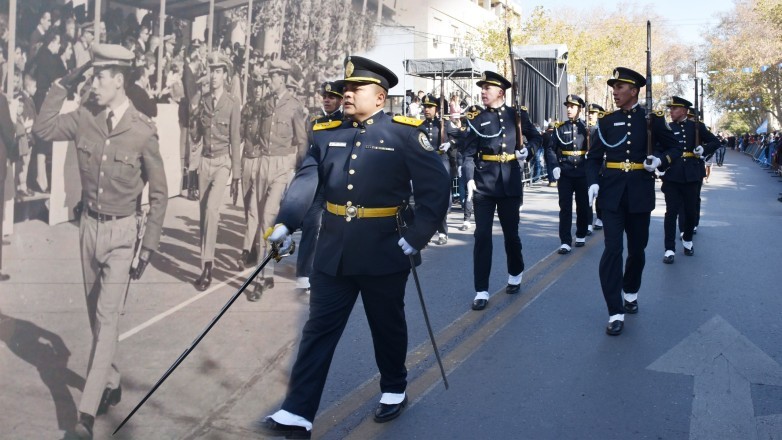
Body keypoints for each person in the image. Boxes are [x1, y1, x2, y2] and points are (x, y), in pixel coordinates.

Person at [256, 55, 450, 438]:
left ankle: (394, 388)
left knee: (386, 325)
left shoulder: (405, 133)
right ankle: (297, 412)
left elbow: (436, 189)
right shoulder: (326, 132)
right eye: (344, 88)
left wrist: (415, 238)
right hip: (333, 249)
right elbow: (305, 181)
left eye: (353, 89)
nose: (345, 94)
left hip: (385, 248)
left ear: (379, 97)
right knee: (318, 329)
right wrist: (285, 223)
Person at [32, 44, 168, 439]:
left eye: (99, 77)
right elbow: (42, 129)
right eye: (91, 77)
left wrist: (149, 245)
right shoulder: (85, 118)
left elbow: (159, 193)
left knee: (107, 321)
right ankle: (110, 380)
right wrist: (64, 82)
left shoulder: (142, 131)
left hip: (124, 234)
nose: (94, 84)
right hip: (88, 229)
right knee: (96, 317)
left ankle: (85, 417)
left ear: (119, 81)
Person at [585, 67, 681, 336]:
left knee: (637, 251)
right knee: (612, 250)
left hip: (640, 194)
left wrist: (660, 160)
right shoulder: (605, 121)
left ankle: (630, 291)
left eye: (620, 87)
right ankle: (615, 310)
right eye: (613, 87)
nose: (614, 91)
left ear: (634, 90)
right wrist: (593, 181)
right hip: (611, 195)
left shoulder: (653, 120)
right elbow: (593, 158)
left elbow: (674, 148)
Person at [452, 70, 542, 311]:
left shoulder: (517, 116)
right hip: (484, 184)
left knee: (511, 235)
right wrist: (469, 178)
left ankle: (515, 272)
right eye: (481, 88)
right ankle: (481, 289)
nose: (482, 92)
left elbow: (537, 139)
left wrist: (528, 151)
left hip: (509, 182)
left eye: (487, 88)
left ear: (500, 92)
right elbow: (468, 153)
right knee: (482, 236)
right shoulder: (476, 118)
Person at [248, 59, 307, 298]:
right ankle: (270, 271)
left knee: (267, 218)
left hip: (283, 165)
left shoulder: (294, 106)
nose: (269, 80)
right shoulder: (265, 104)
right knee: (261, 219)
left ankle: (261, 278)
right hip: (263, 163)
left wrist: (299, 170)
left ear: (282, 78)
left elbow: (302, 141)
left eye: (272, 77)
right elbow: (254, 133)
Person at [193, 52, 241, 291]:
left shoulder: (232, 103)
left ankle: (208, 265)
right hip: (205, 161)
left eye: (218, 71)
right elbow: (197, 134)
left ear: (225, 75)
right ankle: (205, 262)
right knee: (203, 214)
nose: (214, 75)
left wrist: (237, 175)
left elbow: (234, 138)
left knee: (212, 210)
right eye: (211, 70)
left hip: (222, 162)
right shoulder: (203, 100)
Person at [293, 80, 345, 295]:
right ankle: (304, 274)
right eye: (324, 96)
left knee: (339, 228)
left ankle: (336, 269)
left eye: (332, 97)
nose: (327, 100)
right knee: (311, 226)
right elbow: (305, 152)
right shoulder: (316, 123)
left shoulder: (347, 123)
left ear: (341, 100)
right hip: (317, 184)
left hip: (339, 184)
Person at [661, 96, 720, 264]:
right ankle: (669, 249)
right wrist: (660, 164)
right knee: (671, 212)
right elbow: (660, 149)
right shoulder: (667, 127)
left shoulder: (697, 127)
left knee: (690, 211)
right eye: (670, 109)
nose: (671, 111)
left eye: (675, 108)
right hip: (672, 174)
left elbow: (715, 141)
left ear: (685, 111)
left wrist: (704, 148)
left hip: (692, 174)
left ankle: (687, 240)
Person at [546, 94, 591, 254]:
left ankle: (580, 234)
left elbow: (593, 152)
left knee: (583, 205)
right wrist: (554, 166)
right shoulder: (560, 128)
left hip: (582, 171)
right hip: (565, 172)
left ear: (579, 109)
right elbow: (551, 149)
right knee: (565, 207)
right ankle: (565, 240)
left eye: (572, 107)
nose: (569, 109)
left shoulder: (586, 128)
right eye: (568, 106)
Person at [421, 93, 456, 245]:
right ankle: (425, 233)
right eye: (425, 107)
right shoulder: (420, 126)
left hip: (441, 161)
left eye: (430, 107)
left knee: (441, 198)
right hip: (425, 163)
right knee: (424, 199)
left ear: (437, 109)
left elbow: (460, 136)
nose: (426, 109)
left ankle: (442, 232)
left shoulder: (444, 124)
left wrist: (450, 143)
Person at [586, 103, 605, 231]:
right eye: (590, 113)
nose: (591, 116)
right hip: (589, 164)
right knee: (588, 195)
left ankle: (600, 217)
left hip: (602, 163)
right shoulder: (585, 128)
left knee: (600, 193)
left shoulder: (603, 128)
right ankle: (588, 222)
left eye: (594, 113)